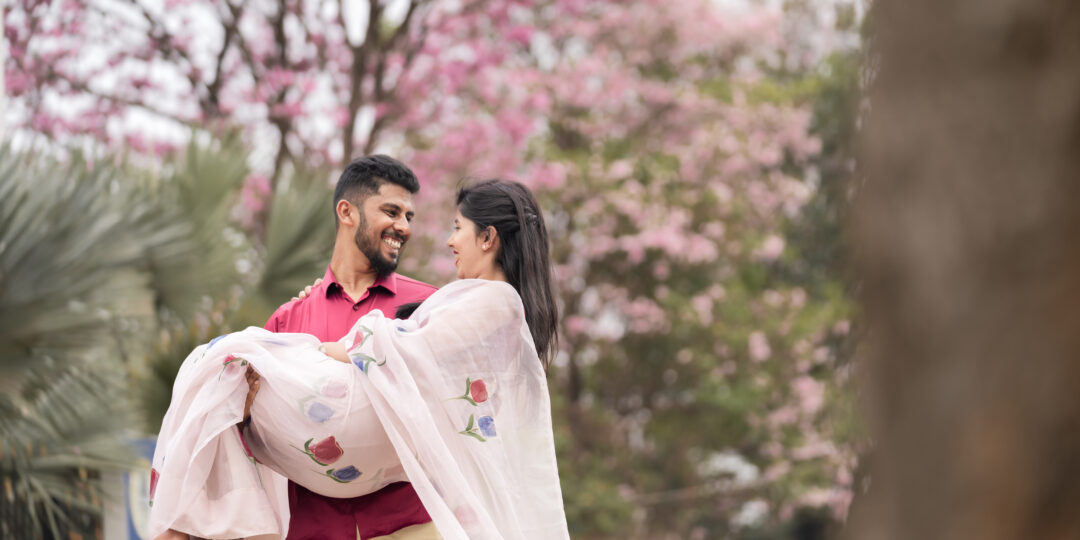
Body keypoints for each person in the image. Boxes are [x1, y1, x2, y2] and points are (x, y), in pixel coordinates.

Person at [149, 178, 568, 540]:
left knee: (219, 360)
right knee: (215, 373)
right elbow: (256, 421)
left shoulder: (430, 303)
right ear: (347, 212)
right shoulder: (292, 315)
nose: (403, 227)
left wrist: (342, 346)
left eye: (409, 216)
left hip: (406, 526)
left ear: (488, 237)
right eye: (391, 211)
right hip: (317, 526)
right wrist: (242, 411)